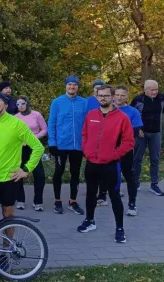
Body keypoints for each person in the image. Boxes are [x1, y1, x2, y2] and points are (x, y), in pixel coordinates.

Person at [0, 91, 44, 268]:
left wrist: (26, 170)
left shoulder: (17, 124)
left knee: (8, 217)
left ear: (6, 105)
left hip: (9, 179)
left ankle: (7, 253)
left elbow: (38, 147)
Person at [79, 85, 135, 243]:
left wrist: (114, 155)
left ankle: (120, 229)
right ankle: (90, 220)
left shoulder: (121, 117)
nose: (102, 98)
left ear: (113, 97)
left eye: (106, 95)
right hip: (92, 163)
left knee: (114, 196)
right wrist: (86, 150)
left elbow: (129, 141)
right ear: (96, 97)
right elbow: (84, 134)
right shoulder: (91, 115)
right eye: (100, 95)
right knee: (91, 193)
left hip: (110, 165)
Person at [96, 85, 143, 217]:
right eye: (117, 95)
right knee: (105, 173)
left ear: (127, 96)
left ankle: (132, 204)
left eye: (122, 95)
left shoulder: (133, 112)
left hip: (125, 149)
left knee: (129, 175)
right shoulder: (106, 110)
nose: (119, 97)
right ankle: (102, 197)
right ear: (112, 96)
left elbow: (133, 132)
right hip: (108, 149)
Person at [47, 75, 88, 215]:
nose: (72, 87)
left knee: (75, 173)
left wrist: (86, 143)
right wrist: (52, 143)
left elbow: (87, 124)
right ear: (66, 86)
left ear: (78, 86)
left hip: (78, 145)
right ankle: (57, 200)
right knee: (58, 172)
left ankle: (73, 201)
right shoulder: (57, 102)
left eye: (74, 85)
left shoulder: (84, 102)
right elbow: (51, 123)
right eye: (69, 84)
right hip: (61, 145)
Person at [131, 80, 164, 196]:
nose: (154, 92)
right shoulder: (138, 99)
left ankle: (154, 184)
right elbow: (132, 114)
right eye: (151, 90)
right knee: (137, 158)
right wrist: (137, 128)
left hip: (156, 133)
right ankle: (135, 182)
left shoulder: (162, 98)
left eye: (156, 89)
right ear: (145, 89)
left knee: (155, 159)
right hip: (141, 133)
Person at [14, 96, 47, 211]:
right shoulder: (15, 118)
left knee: (40, 175)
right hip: (21, 149)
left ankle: (38, 201)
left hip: (34, 147)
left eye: (22, 103)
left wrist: (34, 138)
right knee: (18, 173)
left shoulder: (36, 115)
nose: (20, 106)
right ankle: (20, 200)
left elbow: (44, 129)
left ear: (27, 103)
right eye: (18, 104)